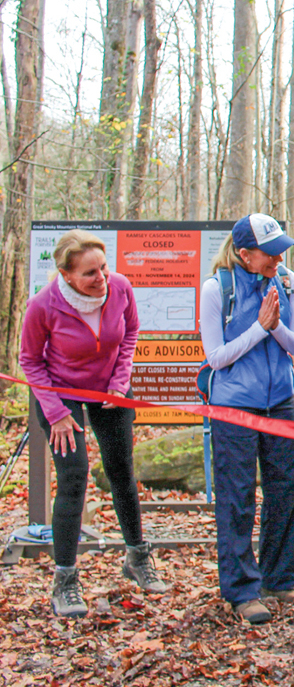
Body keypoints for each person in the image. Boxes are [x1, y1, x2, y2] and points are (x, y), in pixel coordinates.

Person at [19, 229, 168, 618]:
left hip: (109, 390)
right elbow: (30, 361)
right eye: (89, 273)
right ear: (67, 275)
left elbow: (130, 332)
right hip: (60, 392)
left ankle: (137, 558)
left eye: (103, 267)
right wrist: (56, 414)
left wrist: (120, 383)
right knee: (74, 477)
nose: (101, 277)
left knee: (121, 471)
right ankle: (65, 580)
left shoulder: (119, 287)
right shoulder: (43, 305)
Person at [199, 213, 294, 624]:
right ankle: (242, 590)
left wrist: (274, 327)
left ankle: (279, 578)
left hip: (279, 401)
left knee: (285, 491)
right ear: (244, 254)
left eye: (282, 250)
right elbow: (216, 357)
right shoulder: (216, 289)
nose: (279, 259)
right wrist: (261, 328)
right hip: (233, 405)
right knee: (237, 496)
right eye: (270, 253)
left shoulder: (289, 282)